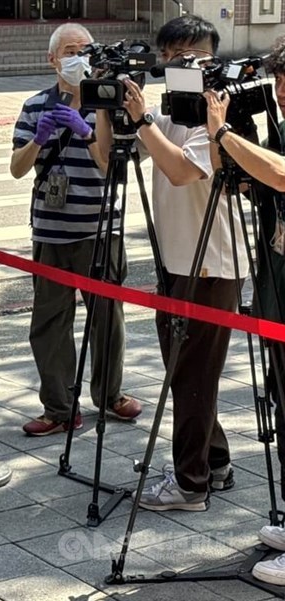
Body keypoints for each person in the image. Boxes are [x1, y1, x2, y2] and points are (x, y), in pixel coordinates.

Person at [103, 15, 242, 511]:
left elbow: (182, 171)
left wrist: (141, 122)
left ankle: (190, 485)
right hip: (178, 262)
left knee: (189, 375)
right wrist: (108, 107)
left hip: (211, 264)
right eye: (171, 56)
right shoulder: (168, 114)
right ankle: (215, 462)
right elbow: (105, 159)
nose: (181, 64)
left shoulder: (218, 114)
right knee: (188, 373)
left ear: (213, 57)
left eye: (192, 55)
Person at [10, 22, 142, 436]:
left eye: (85, 49)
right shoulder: (35, 105)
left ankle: (111, 394)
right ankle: (59, 407)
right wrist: (39, 142)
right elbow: (17, 168)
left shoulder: (109, 102)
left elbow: (116, 164)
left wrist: (88, 130)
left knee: (107, 318)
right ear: (53, 59)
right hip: (51, 231)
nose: (78, 57)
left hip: (100, 228)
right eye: (69, 51)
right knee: (49, 322)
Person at [200, 39, 285, 581]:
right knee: (282, 402)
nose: (280, 96)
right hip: (278, 285)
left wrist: (226, 132)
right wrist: (218, 133)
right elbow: (233, 181)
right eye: (278, 87)